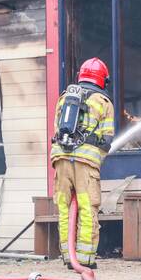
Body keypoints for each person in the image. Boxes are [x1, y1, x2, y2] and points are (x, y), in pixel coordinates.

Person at [51, 57, 115, 268]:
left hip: (60, 159)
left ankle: (67, 257)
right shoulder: (103, 103)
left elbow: (56, 130)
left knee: (64, 208)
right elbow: (106, 140)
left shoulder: (64, 99)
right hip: (85, 164)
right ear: (102, 80)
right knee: (88, 208)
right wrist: (96, 160)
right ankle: (85, 259)